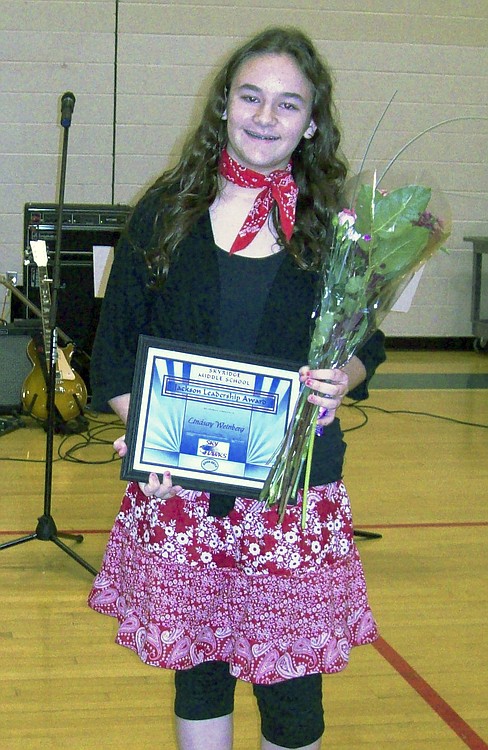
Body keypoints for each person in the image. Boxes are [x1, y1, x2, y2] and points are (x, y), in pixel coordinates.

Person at [88, 26, 386, 750]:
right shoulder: (167, 207)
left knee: (291, 693)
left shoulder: (337, 224)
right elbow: (114, 352)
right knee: (200, 673)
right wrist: (150, 441)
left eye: (288, 104)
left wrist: (341, 378)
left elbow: (367, 340)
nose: (264, 116)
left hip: (293, 494)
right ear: (225, 104)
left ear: (312, 121)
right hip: (183, 492)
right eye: (251, 97)